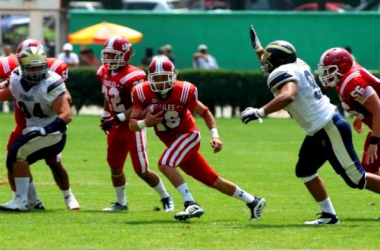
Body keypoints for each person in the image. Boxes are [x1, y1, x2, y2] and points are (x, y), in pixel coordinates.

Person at [241, 35, 380, 224]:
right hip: (320, 128)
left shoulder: (282, 73)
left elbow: (288, 95)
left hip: (329, 127)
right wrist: (259, 48)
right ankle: (329, 216)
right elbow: (275, 64)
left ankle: (330, 216)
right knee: (305, 170)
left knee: (357, 179)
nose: (264, 63)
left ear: (277, 61)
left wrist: (260, 111)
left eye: (267, 59)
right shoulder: (297, 63)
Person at [129, 57, 266, 221]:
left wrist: (215, 136)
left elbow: (205, 113)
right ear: (150, 78)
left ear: (173, 76)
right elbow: (132, 124)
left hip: (188, 136)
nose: (161, 83)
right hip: (173, 142)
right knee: (212, 180)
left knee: (165, 164)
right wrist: (145, 122)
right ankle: (253, 201)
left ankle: (190, 203)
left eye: (165, 78)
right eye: (156, 78)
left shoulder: (183, 91)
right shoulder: (142, 92)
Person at [96, 35, 173, 212]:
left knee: (142, 169)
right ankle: (121, 203)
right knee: (115, 166)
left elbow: (141, 104)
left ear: (125, 55)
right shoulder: (103, 72)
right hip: (115, 125)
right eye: (107, 55)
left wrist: (117, 118)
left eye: (113, 55)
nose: (108, 59)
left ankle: (165, 196)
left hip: (133, 125)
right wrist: (106, 115)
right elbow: (109, 98)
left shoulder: (135, 75)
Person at [0, 39, 79, 210]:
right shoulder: (15, 78)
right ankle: (29, 201)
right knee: (13, 157)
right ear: (21, 66)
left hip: (52, 133)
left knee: (20, 153)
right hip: (30, 129)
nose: (36, 71)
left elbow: (66, 115)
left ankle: (22, 201)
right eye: (31, 67)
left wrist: (43, 129)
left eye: (39, 66)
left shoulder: (52, 82)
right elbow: (4, 94)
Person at [318, 47, 380, 176]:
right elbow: (368, 99)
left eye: (330, 70)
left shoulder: (352, 82)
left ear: (342, 67)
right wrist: (359, 115)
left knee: (370, 172)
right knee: (369, 170)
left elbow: (378, 109)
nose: (326, 74)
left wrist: (374, 142)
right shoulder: (345, 77)